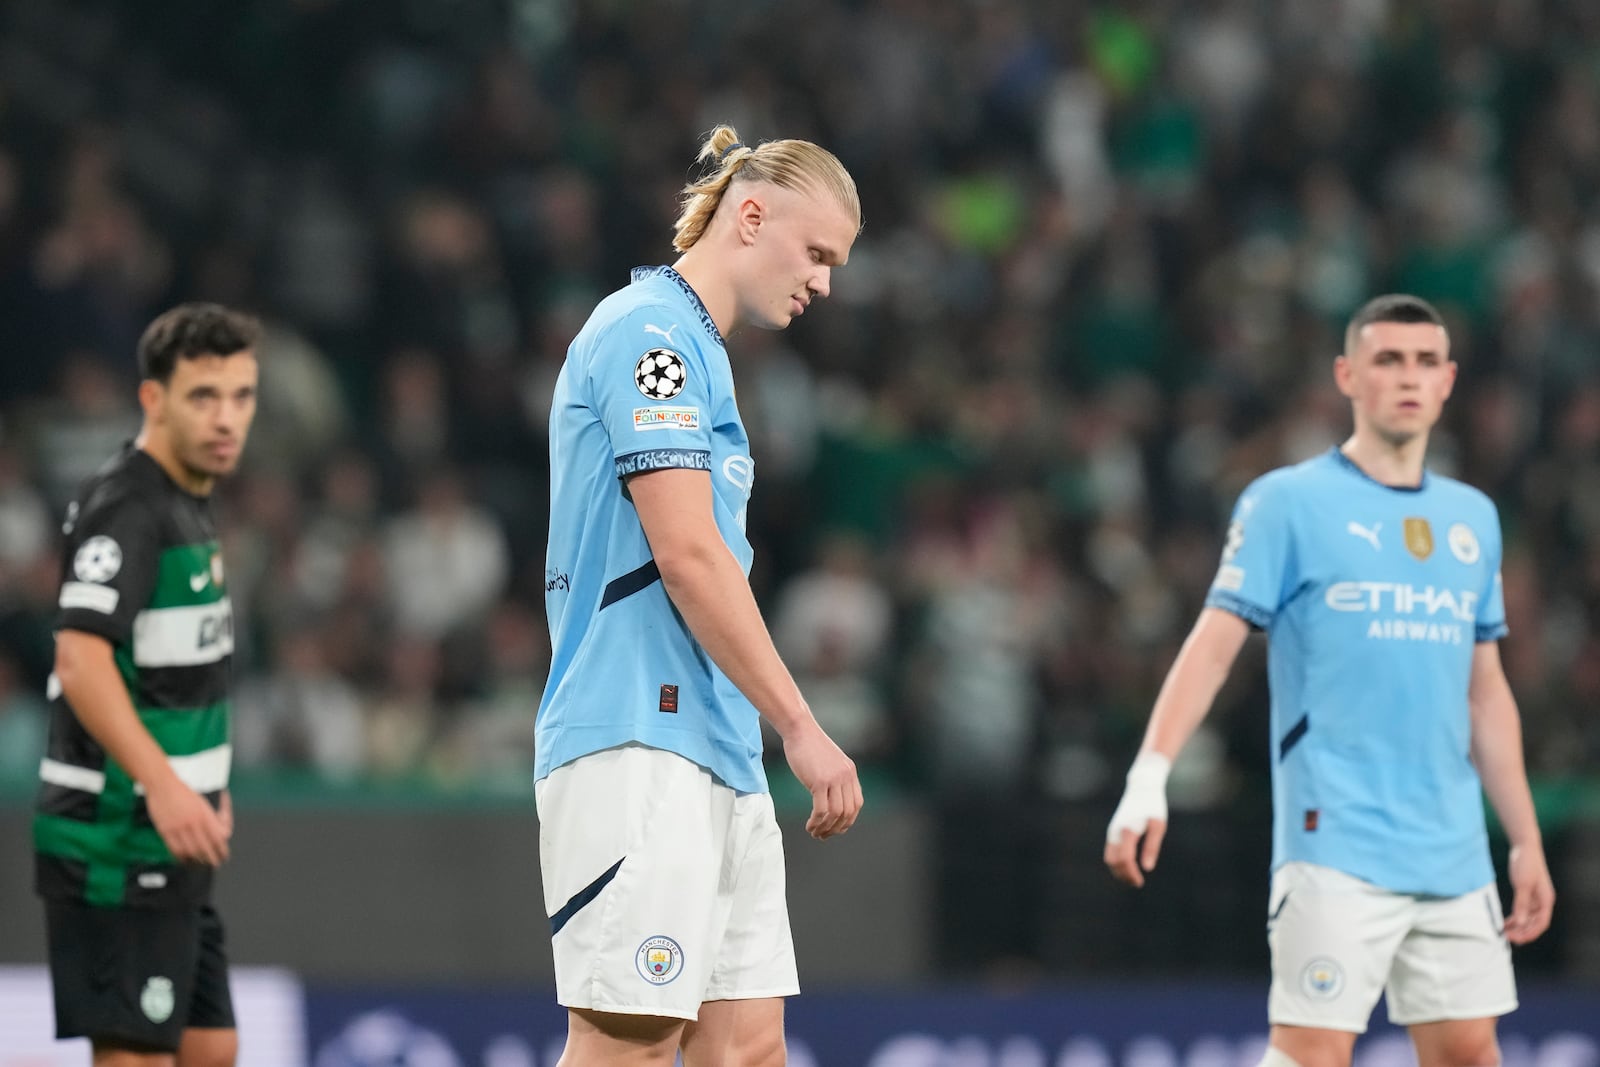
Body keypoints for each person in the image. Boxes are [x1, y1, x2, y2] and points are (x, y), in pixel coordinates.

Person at [1105, 294, 1555, 1067]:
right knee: (1312, 1054)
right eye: (1387, 359)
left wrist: (1524, 837)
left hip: (1451, 847)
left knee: (1469, 1055)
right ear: (1348, 374)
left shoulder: (1472, 517)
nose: (1407, 377)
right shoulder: (1288, 501)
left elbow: (1485, 689)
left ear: (1448, 381)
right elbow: (1212, 646)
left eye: (1424, 362)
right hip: (1334, 838)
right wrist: (1150, 777)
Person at [536, 124, 865, 1066]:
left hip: (716, 745)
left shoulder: (703, 354)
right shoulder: (651, 335)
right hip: (636, 737)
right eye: (817, 253)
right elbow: (687, 553)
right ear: (750, 216)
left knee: (748, 1050)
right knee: (629, 1046)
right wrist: (799, 722)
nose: (825, 282)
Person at [33, 303, 261, 1067]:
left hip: (173, 838)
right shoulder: (128, 506)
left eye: (241, 396)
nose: (227, 418)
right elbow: (80, 659)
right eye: (204, 396)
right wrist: (163, 783)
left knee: (211, 1048)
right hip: (116, 837)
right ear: (153, 400)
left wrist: (203, 783)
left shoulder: (188, 501)